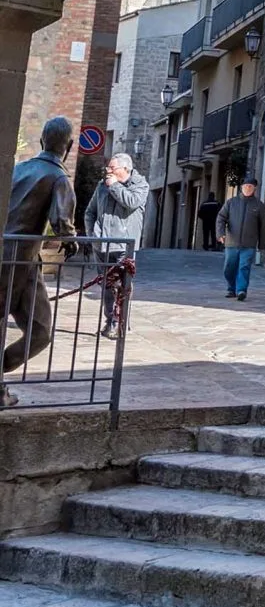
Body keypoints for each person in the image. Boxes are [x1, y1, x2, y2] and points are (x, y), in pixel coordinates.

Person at [2, 117, 78, 406]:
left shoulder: (18, 169)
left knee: (41, 330)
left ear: (42, 142)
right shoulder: (59, 178)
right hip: (17, 260)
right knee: (38, 331)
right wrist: (71, 240)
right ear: (68, 147)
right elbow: (62, 221)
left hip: (22, 260)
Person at [85, 151, 150, 337]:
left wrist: (114, 186)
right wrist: (92, 235)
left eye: (112, 168)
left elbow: (131, 202)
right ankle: (110, 321)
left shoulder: (140, 186)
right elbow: (90, 212)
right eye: (108, 167)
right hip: (102, 245)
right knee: (106, 285)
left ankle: (120, 322)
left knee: (123, 286)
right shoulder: (101, 186)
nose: (108, 171)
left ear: (125, 169)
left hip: (124, 247)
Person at [216, 177, 265, 299]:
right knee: (229, 267)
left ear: (254, 188)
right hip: (231, 243)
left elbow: (263, 226)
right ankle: (231, 288)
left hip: (248, 244)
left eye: (250, 186)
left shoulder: (259, 206)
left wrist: (262, 244)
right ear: (241, 187)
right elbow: (221, 218)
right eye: (246, 186)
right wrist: (220, 234)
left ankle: (241, 290)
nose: (248, 188)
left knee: (244, 267)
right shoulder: (231, 203)